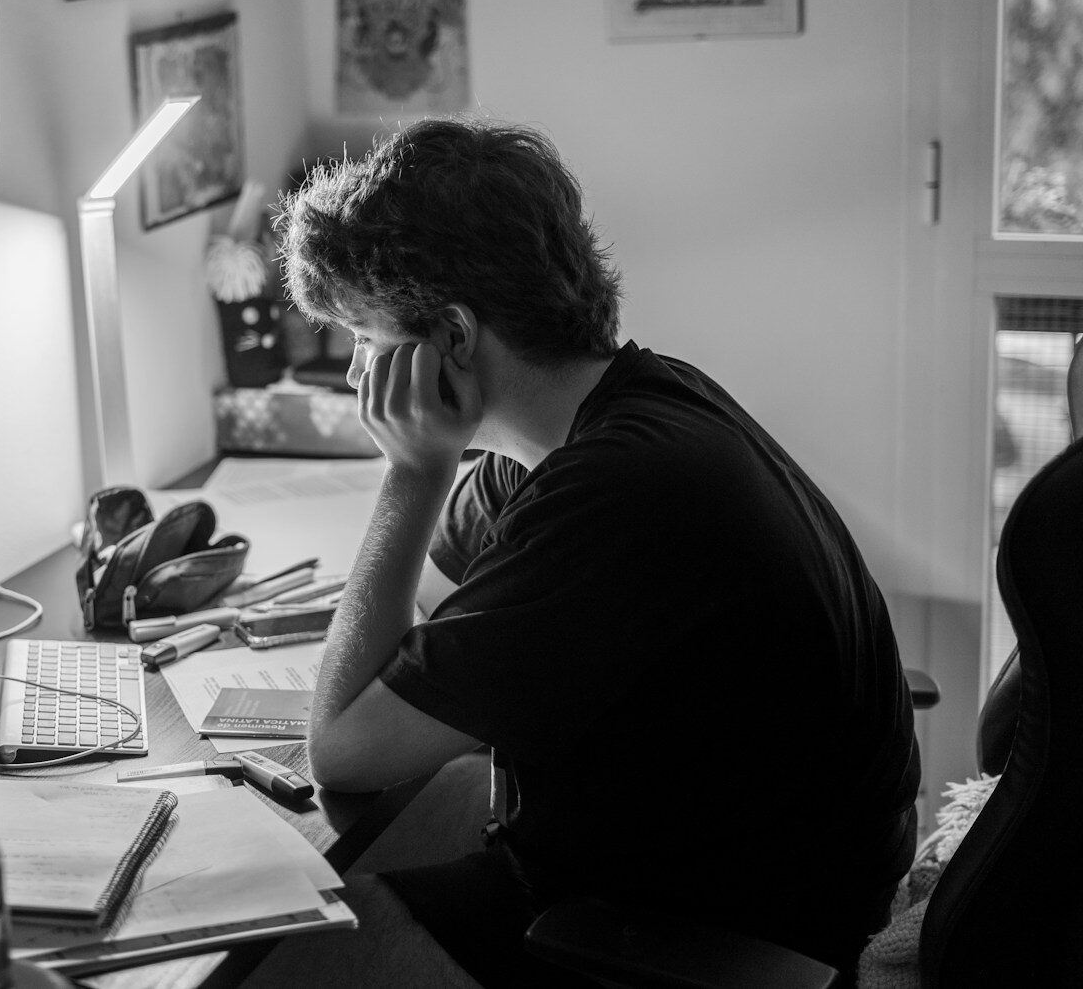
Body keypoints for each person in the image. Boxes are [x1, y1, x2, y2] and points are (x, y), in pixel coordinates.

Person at [256, 117, 921, 987]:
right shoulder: (613, 411)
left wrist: (412, 474)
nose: (353, 375)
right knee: (426, 803)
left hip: (716, 937)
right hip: (685, 865)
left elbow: (343, 747)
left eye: (364, 338)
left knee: (291, 939)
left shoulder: (617, 493)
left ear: (451, 337)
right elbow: (425, 609)